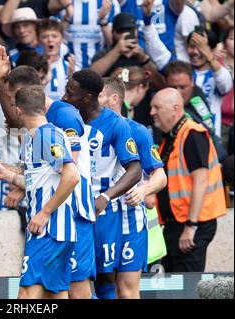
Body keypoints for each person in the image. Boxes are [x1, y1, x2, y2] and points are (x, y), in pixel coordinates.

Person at [0, 85, 80, 299]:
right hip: (54, 230)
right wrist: (7, 175)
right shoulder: (32, 138)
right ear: (43, 106)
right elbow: (40, 181)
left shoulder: (48, 135)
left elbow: (72, 176)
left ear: (17, 110)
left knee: (26, 294)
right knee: (55, 296)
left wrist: (45, 213)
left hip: (49, 229)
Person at [63, 69, 141, 299]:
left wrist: (105, 197)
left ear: (86, 98)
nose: (64, 97)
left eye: (70, 93)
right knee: (75, 279)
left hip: (102, 212)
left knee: (106, 276)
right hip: (71, 209)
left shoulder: (117, 125)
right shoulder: (64, 115)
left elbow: (135, 171)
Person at [98, 77, 166, 298]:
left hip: (129, 218)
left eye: (99, 96)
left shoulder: (137, 131)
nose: (92, 102)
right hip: (99, 215)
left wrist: (143, 190)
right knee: (100, 285)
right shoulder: (85, 129)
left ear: (113, 98)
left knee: (127, 290)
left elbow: (160, 176)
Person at [150, 88, 226, 272]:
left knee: (187, 282)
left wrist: (191, 226)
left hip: (192, 224)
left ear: (175, 109)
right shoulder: (171, 137)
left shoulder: (192, 133)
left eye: (156, 107)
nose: (151, 112)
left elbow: (200, 181)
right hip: (175, 224)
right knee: (173, 281)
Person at [61, 0, 120, 69]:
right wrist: (67, 18)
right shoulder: (62, 2)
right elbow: (53, 35)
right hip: (68, 67)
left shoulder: (111, 3)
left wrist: (103, 20)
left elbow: (114, 44)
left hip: (100, 68)